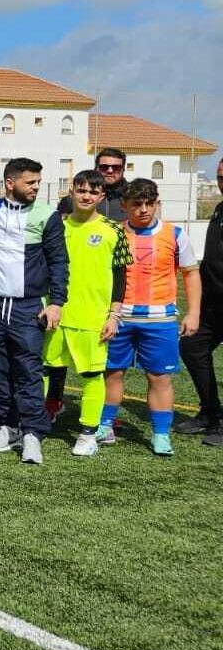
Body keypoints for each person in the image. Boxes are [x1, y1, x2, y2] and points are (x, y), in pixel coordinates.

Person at [0, 158, 68, 464]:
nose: (36, 187)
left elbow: (58, 262)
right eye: (30, 182)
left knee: (28, 372)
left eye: (38, 182)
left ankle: (32, 434)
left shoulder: (47, 215)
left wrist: (56, 302)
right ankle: (7, 425)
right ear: (10, 183)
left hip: (28, 307)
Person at [100, 178, 201, 456]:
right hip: (119, 318)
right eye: (137, 204)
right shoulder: (114, 233)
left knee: (159, 378)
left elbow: (191, 273)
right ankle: (105, 425)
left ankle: (160, 434)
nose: (144, 209)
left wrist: (193, 313)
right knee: (112, 374)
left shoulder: (176, 234)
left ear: (157, 203)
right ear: (124, 206)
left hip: (161, 320)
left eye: (149, 203)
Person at [46, 170, 131, 458]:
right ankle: (38, 422)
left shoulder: (112, 230)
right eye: (81, 190)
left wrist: (113, 315)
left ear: (101, 197)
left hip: (93, 318)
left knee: (93, 375)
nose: (86, 196)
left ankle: (87, 432)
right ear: (71, 191)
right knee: (46, 370)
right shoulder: (56, 226)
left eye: (93, 192)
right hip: (57, 314)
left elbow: (120, 277)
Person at [178, 156, 223, 444]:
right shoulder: (220, 209)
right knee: (192, 347)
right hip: (212, 305)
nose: (222, 183)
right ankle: (210, 414)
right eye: (220, 176)